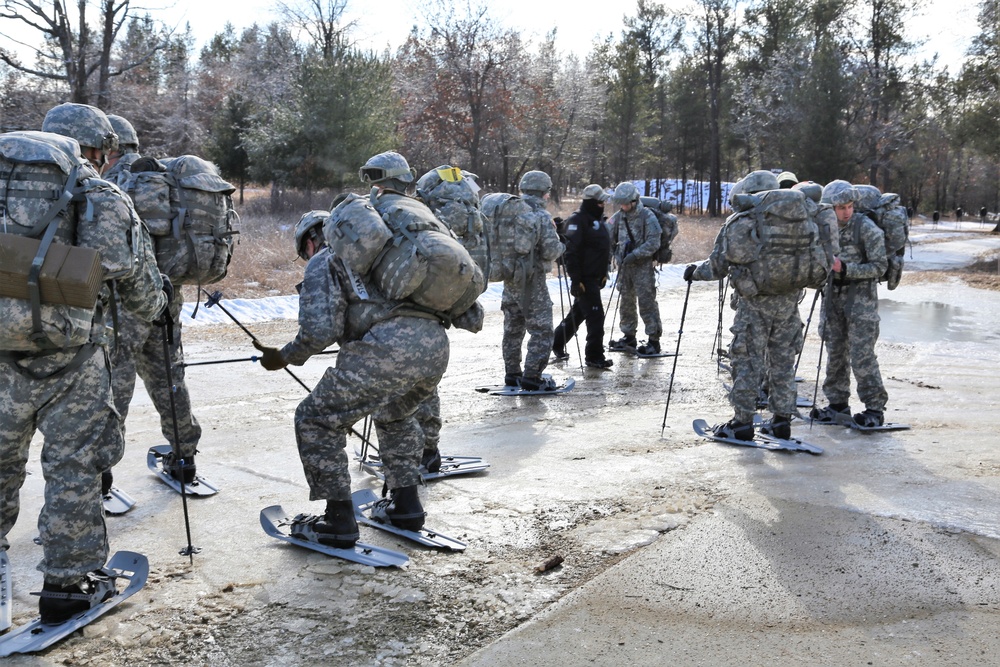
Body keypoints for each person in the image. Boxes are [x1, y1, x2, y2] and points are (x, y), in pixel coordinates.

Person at [0, 102, 167, 622]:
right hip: (72, 363)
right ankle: (67, 588)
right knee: (73, 468)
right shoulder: (103, 197)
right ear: (97, 148)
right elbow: (143, 292)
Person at [253, 151, 457, 542]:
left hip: (387, 350)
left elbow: (319, 331)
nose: (306, 258)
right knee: (395, 414)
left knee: (314, 419)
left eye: (304, 251)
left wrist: (283, 357)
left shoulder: (327, 258)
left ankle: (338, 519)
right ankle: (406, 505)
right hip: (435, 347)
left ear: (313, 239)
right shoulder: (386, 253)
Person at [98, 114, 204, 491]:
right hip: (166, 296)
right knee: (169, 377)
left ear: (109, 148)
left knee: (115, 383)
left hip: (123, 301)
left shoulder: (108, 182)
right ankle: (185, 458)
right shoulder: (162, 178)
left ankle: (102, 472)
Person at [684, 170, 812, 440]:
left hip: (754, 304)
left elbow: (718, 266)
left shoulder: (742, 220)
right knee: (782, 362)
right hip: (789, 302)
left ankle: (741, 423)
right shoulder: (797, 218)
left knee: (747, 360)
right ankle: (781, 422)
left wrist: (694, 272)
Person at [809, 180, 889, 427]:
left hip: (861, 302)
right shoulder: (824, 228)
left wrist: (846, 269)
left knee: (862, 356)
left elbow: (879, 267)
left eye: (850, 206)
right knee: (835, 353)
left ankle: (874, 409)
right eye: (840, 207)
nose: (846, 211)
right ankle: (837, 404)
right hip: (832, 299)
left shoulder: (866, 229)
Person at [500, 170, 564, 390]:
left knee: (512, 328)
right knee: (542, 330)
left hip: (509, 280)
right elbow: (551, 251)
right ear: (544, 192)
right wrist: (561, 241)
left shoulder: (508, 213)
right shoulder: (540, 215)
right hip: (533, 282)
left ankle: (512, 374)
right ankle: (532, 377)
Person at [552, 184, 613, 369]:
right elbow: (571, 252)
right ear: (591, 202)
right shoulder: (577, 220)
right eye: (600, 201)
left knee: (578, 314)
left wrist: (603, 274)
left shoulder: (597, 220)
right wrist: (576, 280)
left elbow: (602, 249)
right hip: (584, 278)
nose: (603, 204)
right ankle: (594, 356)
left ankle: (556, 342)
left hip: (595, 277)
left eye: (604, 201)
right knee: (596, 317)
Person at [608, 182, 663, 355]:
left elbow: (654, 242)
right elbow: (609, 236)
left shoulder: (647, 216)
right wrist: (613, 254)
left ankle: (653, 340)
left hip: (642, 267)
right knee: (626, 303)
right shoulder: (618, 217)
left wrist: (636, 254)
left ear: (633, 200)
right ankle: (628, 335)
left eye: (625, 203)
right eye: (621, 204)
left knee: (646, 302)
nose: (623, 207)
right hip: (624, 268)